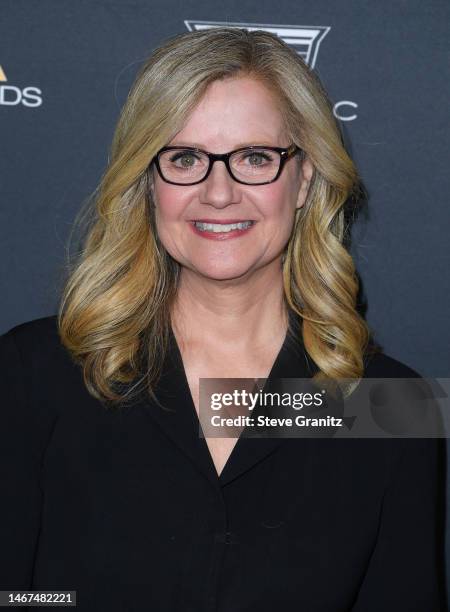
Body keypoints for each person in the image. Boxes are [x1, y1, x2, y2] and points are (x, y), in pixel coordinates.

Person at [0, 27, 446, 611]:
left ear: (305, 177)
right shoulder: (36, 374)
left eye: (254, 158)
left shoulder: (388, 404)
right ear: (147, 180)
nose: (218, 192)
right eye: (185, 158)